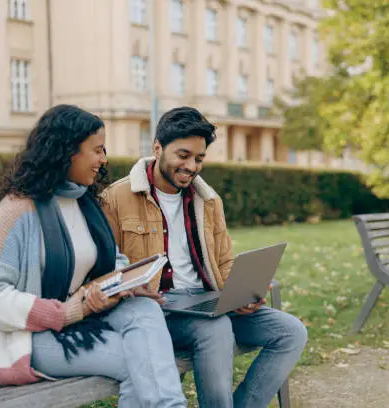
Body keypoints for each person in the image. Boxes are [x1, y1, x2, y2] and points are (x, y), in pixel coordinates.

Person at [0, 105, 186, 407]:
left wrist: (124, 284)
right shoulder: (16, 210)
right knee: (141, 361)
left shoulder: (84, 202)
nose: (103, 159)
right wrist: (63, 312)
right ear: (68, 150)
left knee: (145, 312)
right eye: (97, 150)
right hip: (32, 337)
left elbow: (108, 260)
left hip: (87, 318)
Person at [102, 106, 308, 408]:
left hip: (208, 302)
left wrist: (241, 295)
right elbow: (106, 268)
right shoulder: (116, 198)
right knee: (216, 328)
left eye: (199, 158)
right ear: (157, 148)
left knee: (291, 332)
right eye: (183, 155)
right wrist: (135, 290)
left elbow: (224, 262)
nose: (191, 166)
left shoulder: (208, 200)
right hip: (157, 311)